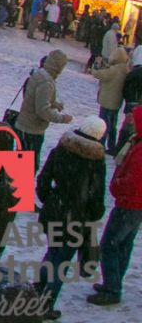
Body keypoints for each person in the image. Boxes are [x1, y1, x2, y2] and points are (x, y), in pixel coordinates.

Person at [35, 117, 109, 309]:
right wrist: (93, 214)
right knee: (62, 261)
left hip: (55, 210)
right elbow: (97, 195)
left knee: (52, 252)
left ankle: (37, 289)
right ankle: (47, 303)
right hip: (77, 217)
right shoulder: (96, 161)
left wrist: (49, 200)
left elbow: (43, 180)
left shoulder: (62, 148)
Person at [89, 103, 141, 307]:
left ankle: (112, 289)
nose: (129, 122)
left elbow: (134, 182)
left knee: (109, 245)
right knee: (123, 245)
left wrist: (117, 185)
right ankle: (114, 283)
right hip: (135, 205)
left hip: (130, 204)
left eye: (134, 120)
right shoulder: (137, 143)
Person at [17, 49, 76, 166]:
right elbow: (42, 111)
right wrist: (62, 118)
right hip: (31, 129)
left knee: (22, 162)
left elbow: (37, 98)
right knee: (28, 166)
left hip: (25, 124)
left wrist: (54, 104)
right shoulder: (46, 82)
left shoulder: (40, 73)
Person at [94, 39, 134, 150]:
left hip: (107, 101)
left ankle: (100, 144)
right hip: (116, 102)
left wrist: (95, 66)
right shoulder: (125, 68)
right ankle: (111, 146)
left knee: (104, 124)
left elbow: (100, 74)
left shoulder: (114, 69)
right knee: (112, 124)